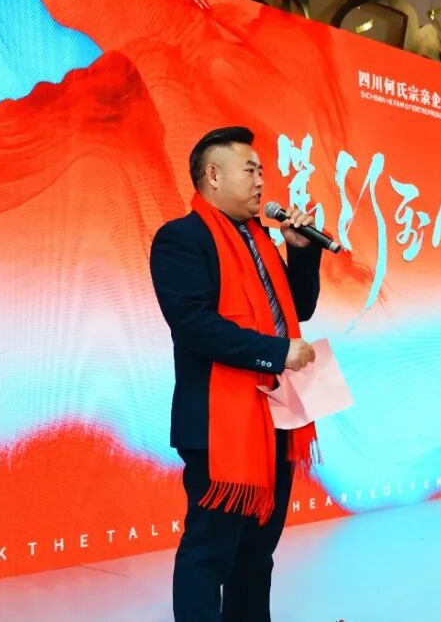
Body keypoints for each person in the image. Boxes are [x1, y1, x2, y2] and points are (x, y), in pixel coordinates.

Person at [149, 126, 325, 621]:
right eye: (250, 170)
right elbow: (194, 324)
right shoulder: (182, 239)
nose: (260, 181)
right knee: (210, 553)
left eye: (261, 171)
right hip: (219, 423)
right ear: (213, 175)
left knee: (256, 552)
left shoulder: (262, 240)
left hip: (274, 416)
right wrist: (276, 352)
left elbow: (298, 307)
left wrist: (301, 250)